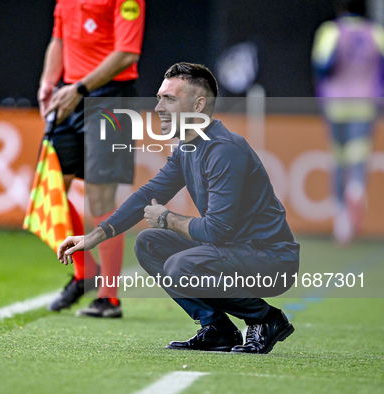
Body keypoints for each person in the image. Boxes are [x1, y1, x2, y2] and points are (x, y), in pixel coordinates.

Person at [57, 62, 300, 354]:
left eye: (169, 99)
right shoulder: (187, 147)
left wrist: (168, 219)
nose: (159, 107)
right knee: (148, 243)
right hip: (235, 253)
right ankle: (217, 328)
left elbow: (218, 230)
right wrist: (93, 237)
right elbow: (148, 194)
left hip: (271, 262)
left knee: (180, 266)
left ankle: (266, 318)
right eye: (160, 97)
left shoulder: (224, 149)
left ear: (198, 105)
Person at [38, 0, 145, 318]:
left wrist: (80, 87)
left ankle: (109, 298)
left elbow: (127, 53)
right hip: (70, 96)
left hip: (110, 97)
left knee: (100, 197)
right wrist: (47, 84)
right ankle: (85, 273)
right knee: (50, 188)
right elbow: (59, 39)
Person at [312, 0, 384, 245]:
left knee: (339, 158)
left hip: (336, 102)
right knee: (359, 155)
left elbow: (322, 65)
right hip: (365, 101)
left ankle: (342, 219)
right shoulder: (376, 32)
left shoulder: (331, 31)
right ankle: (356, 187)